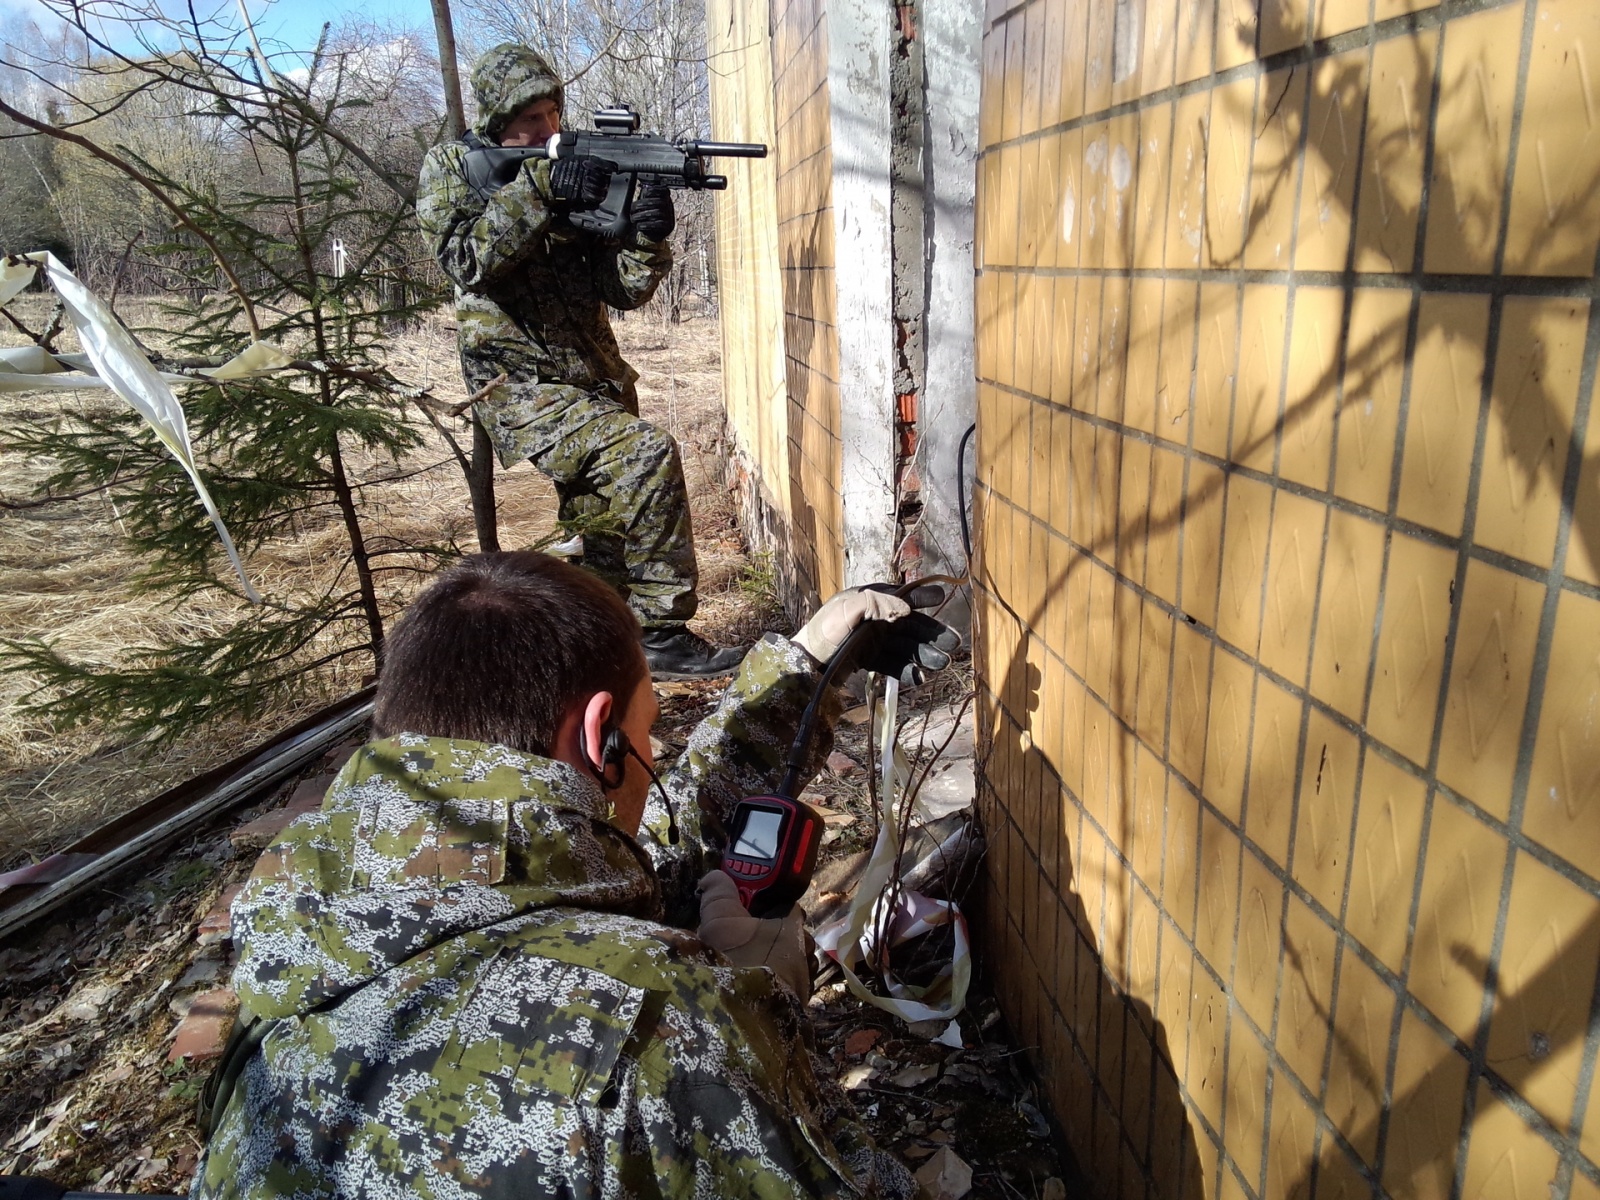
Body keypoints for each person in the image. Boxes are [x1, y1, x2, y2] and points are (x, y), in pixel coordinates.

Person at [190, 551, 960, 1199]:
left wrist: (810, 661)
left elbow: (646, 837)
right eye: (648, 729)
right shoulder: (658, 1027)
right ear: (603, 738)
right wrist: (758, 1016)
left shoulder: (312, 907)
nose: (651, 757)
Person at [416, 43, 742, 679]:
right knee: (645, 455)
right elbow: (465, 260)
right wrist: (539, 189)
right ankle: (663, 634)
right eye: (531, 119)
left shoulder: (576, 169)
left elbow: (622, 291)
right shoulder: (456, 167)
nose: (549, 129)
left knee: (602, 526)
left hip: (592, 378)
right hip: (516, 384)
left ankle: (594, 651)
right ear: (498, 122)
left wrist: (645, 235)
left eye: (554, 112)